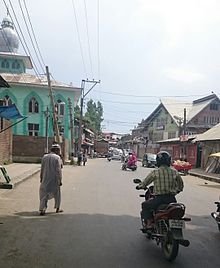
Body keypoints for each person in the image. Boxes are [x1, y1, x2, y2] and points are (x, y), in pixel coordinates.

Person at [136, 151, 184, 229]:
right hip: (172, 199)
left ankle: (149, 223)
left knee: (145, 205)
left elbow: (145, 183)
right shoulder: (174, 172)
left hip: (159, 199)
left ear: (158, 161)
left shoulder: (155, 172)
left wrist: (140, 186)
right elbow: (181, 186)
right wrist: (177, 191)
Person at [39, 143, 63, 216]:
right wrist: (60, 180)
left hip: (45, 178)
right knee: (57, 194)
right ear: (56, 150)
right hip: (54, 179)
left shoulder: (44, 157)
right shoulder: (57, 158)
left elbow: (42, 168)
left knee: (44, 194)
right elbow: (58, 170)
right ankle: (57, 208)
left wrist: (41, 178)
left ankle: (42, 209)